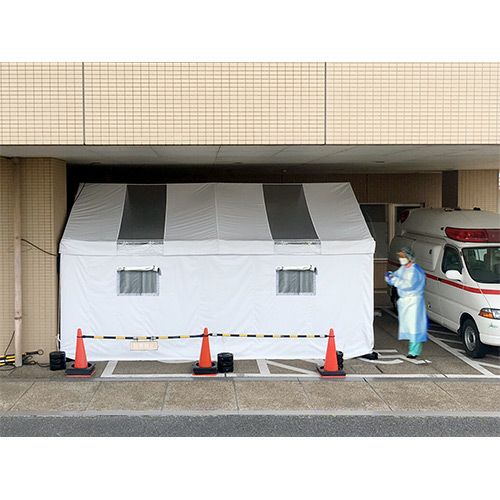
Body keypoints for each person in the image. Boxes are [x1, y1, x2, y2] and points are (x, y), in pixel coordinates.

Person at [385, 247, 428, 358]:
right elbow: (396, 275)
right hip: (405, 301)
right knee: (409, 326)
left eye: (403, 257)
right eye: (400, 257)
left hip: (414, 302)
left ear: (409, 258)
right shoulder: (403, 268)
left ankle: (414, 351)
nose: (401, 259)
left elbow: (408, 285)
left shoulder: (416, 271)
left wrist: (393, 280)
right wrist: (390, 276)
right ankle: (412, 349)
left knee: (415, 327)